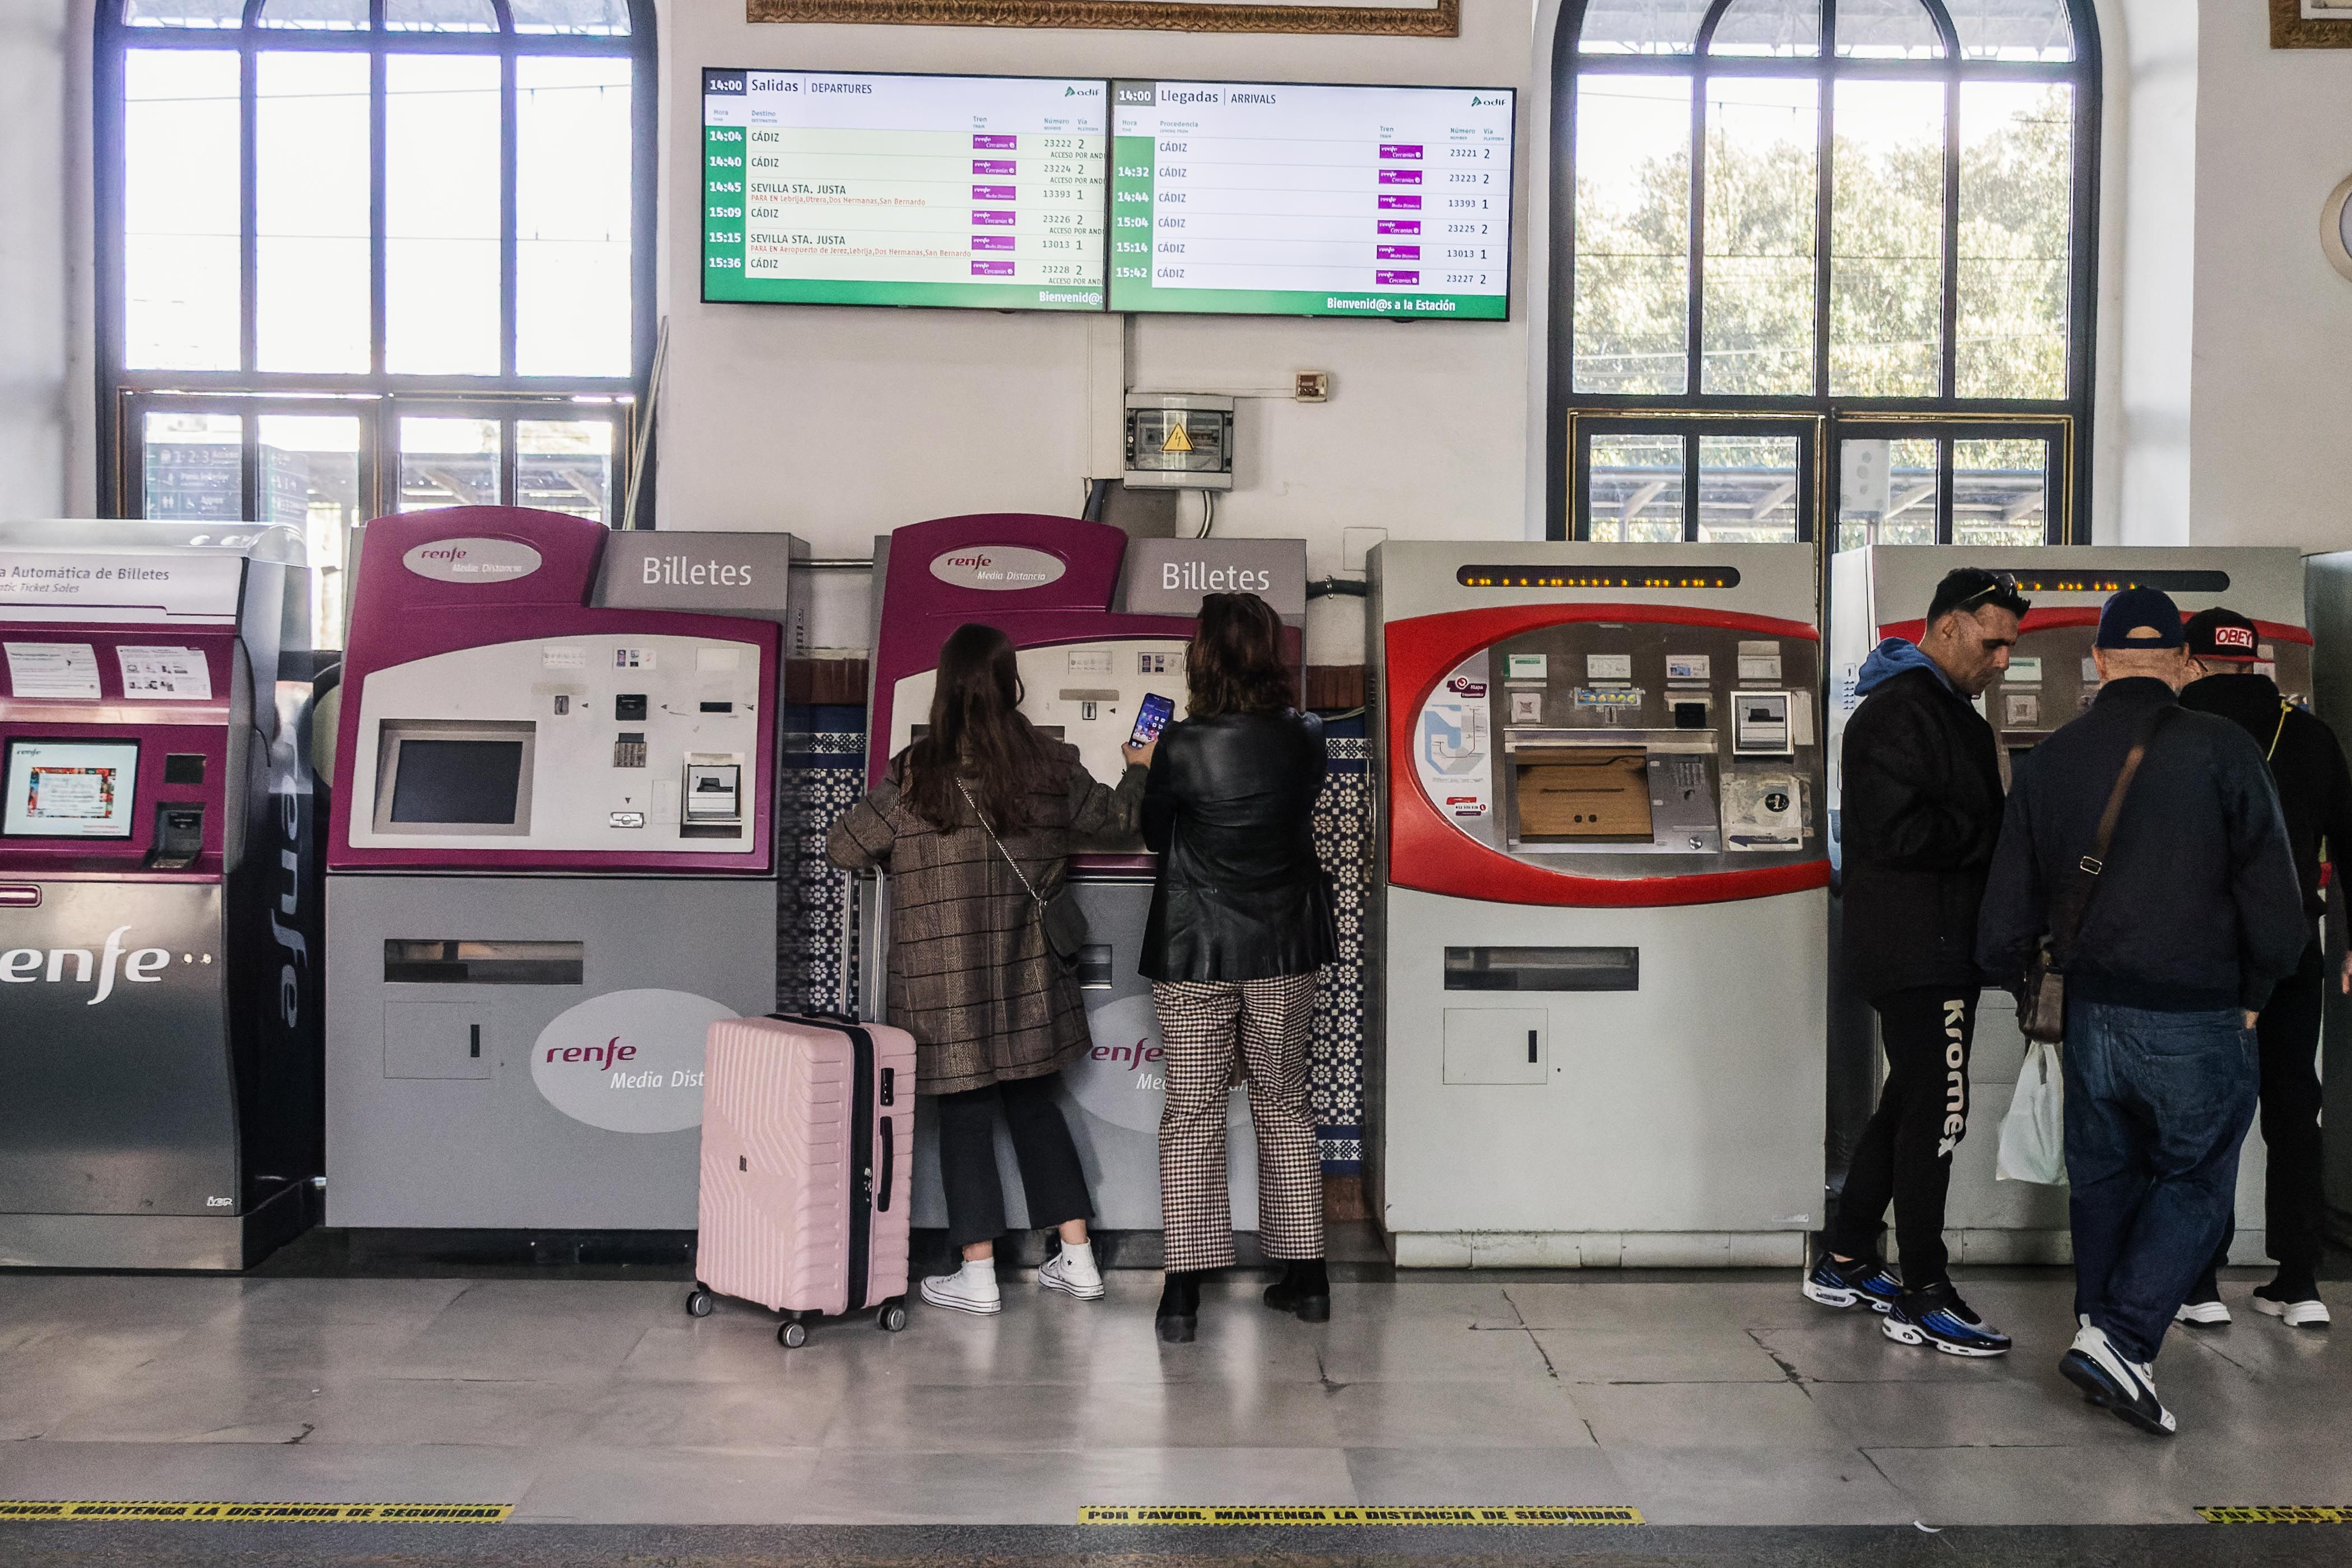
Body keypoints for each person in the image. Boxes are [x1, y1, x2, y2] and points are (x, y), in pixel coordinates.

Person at [1978, 588, 2306, 1436]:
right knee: (2195, 1175)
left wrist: (2031, 992)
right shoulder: (2224, 749)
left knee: (2105, 1177)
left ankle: (2104, 1330)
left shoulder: (2049, 759)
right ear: (2182, 661)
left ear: (2098, 658)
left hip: (2087, 1010)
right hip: (2197, 1008)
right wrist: (2256, 991)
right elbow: (2275, 896)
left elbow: (2003, 918)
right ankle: (2120, 1336)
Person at [828, 622, 1156, 1316]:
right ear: (1012, 685)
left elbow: (845, 848)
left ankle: (976, 1275)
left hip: (944, 983)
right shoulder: (1049, 763)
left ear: (945, 689)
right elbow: (1123, 821)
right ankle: (1078, 1258)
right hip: (1028, 974)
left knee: (967, 1116)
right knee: (1035, 1105)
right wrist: (1139, 761)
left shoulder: (917, 771)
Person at [1809, 567, 2028, 1357]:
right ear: (1945, 627)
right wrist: (2002, 840)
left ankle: (1846, 1255)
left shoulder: (1939, 709)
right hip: (1919, 945)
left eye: (2011, 645)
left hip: (1929, 942)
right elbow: (1898, 833)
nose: (2002, 659)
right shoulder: (1903, 711)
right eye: (1991, 640)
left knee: (1908, 1098)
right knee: (1938, 1113)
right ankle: (1922, 1288)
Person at [1141, 592, 1338, 1344]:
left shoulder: (1180, 742)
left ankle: (1182, 1294)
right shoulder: (1308, 735)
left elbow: (1157, 834)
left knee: (1191, 1112)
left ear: (1201, 654)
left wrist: (1142, 765)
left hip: (1196, 945)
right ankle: (1309, 1278)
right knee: (1284, 1101)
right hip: (1285, 942)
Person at [2171, 607, 2352, 1330]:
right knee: (2290, 1106)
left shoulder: (2173, 729)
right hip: (2290, 950)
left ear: (2188, 660)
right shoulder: (2306, 733)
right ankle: (2299, 1278)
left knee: (2202, 1113)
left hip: (2198, 949)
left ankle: (2200, 1281)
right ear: (2254, 660)